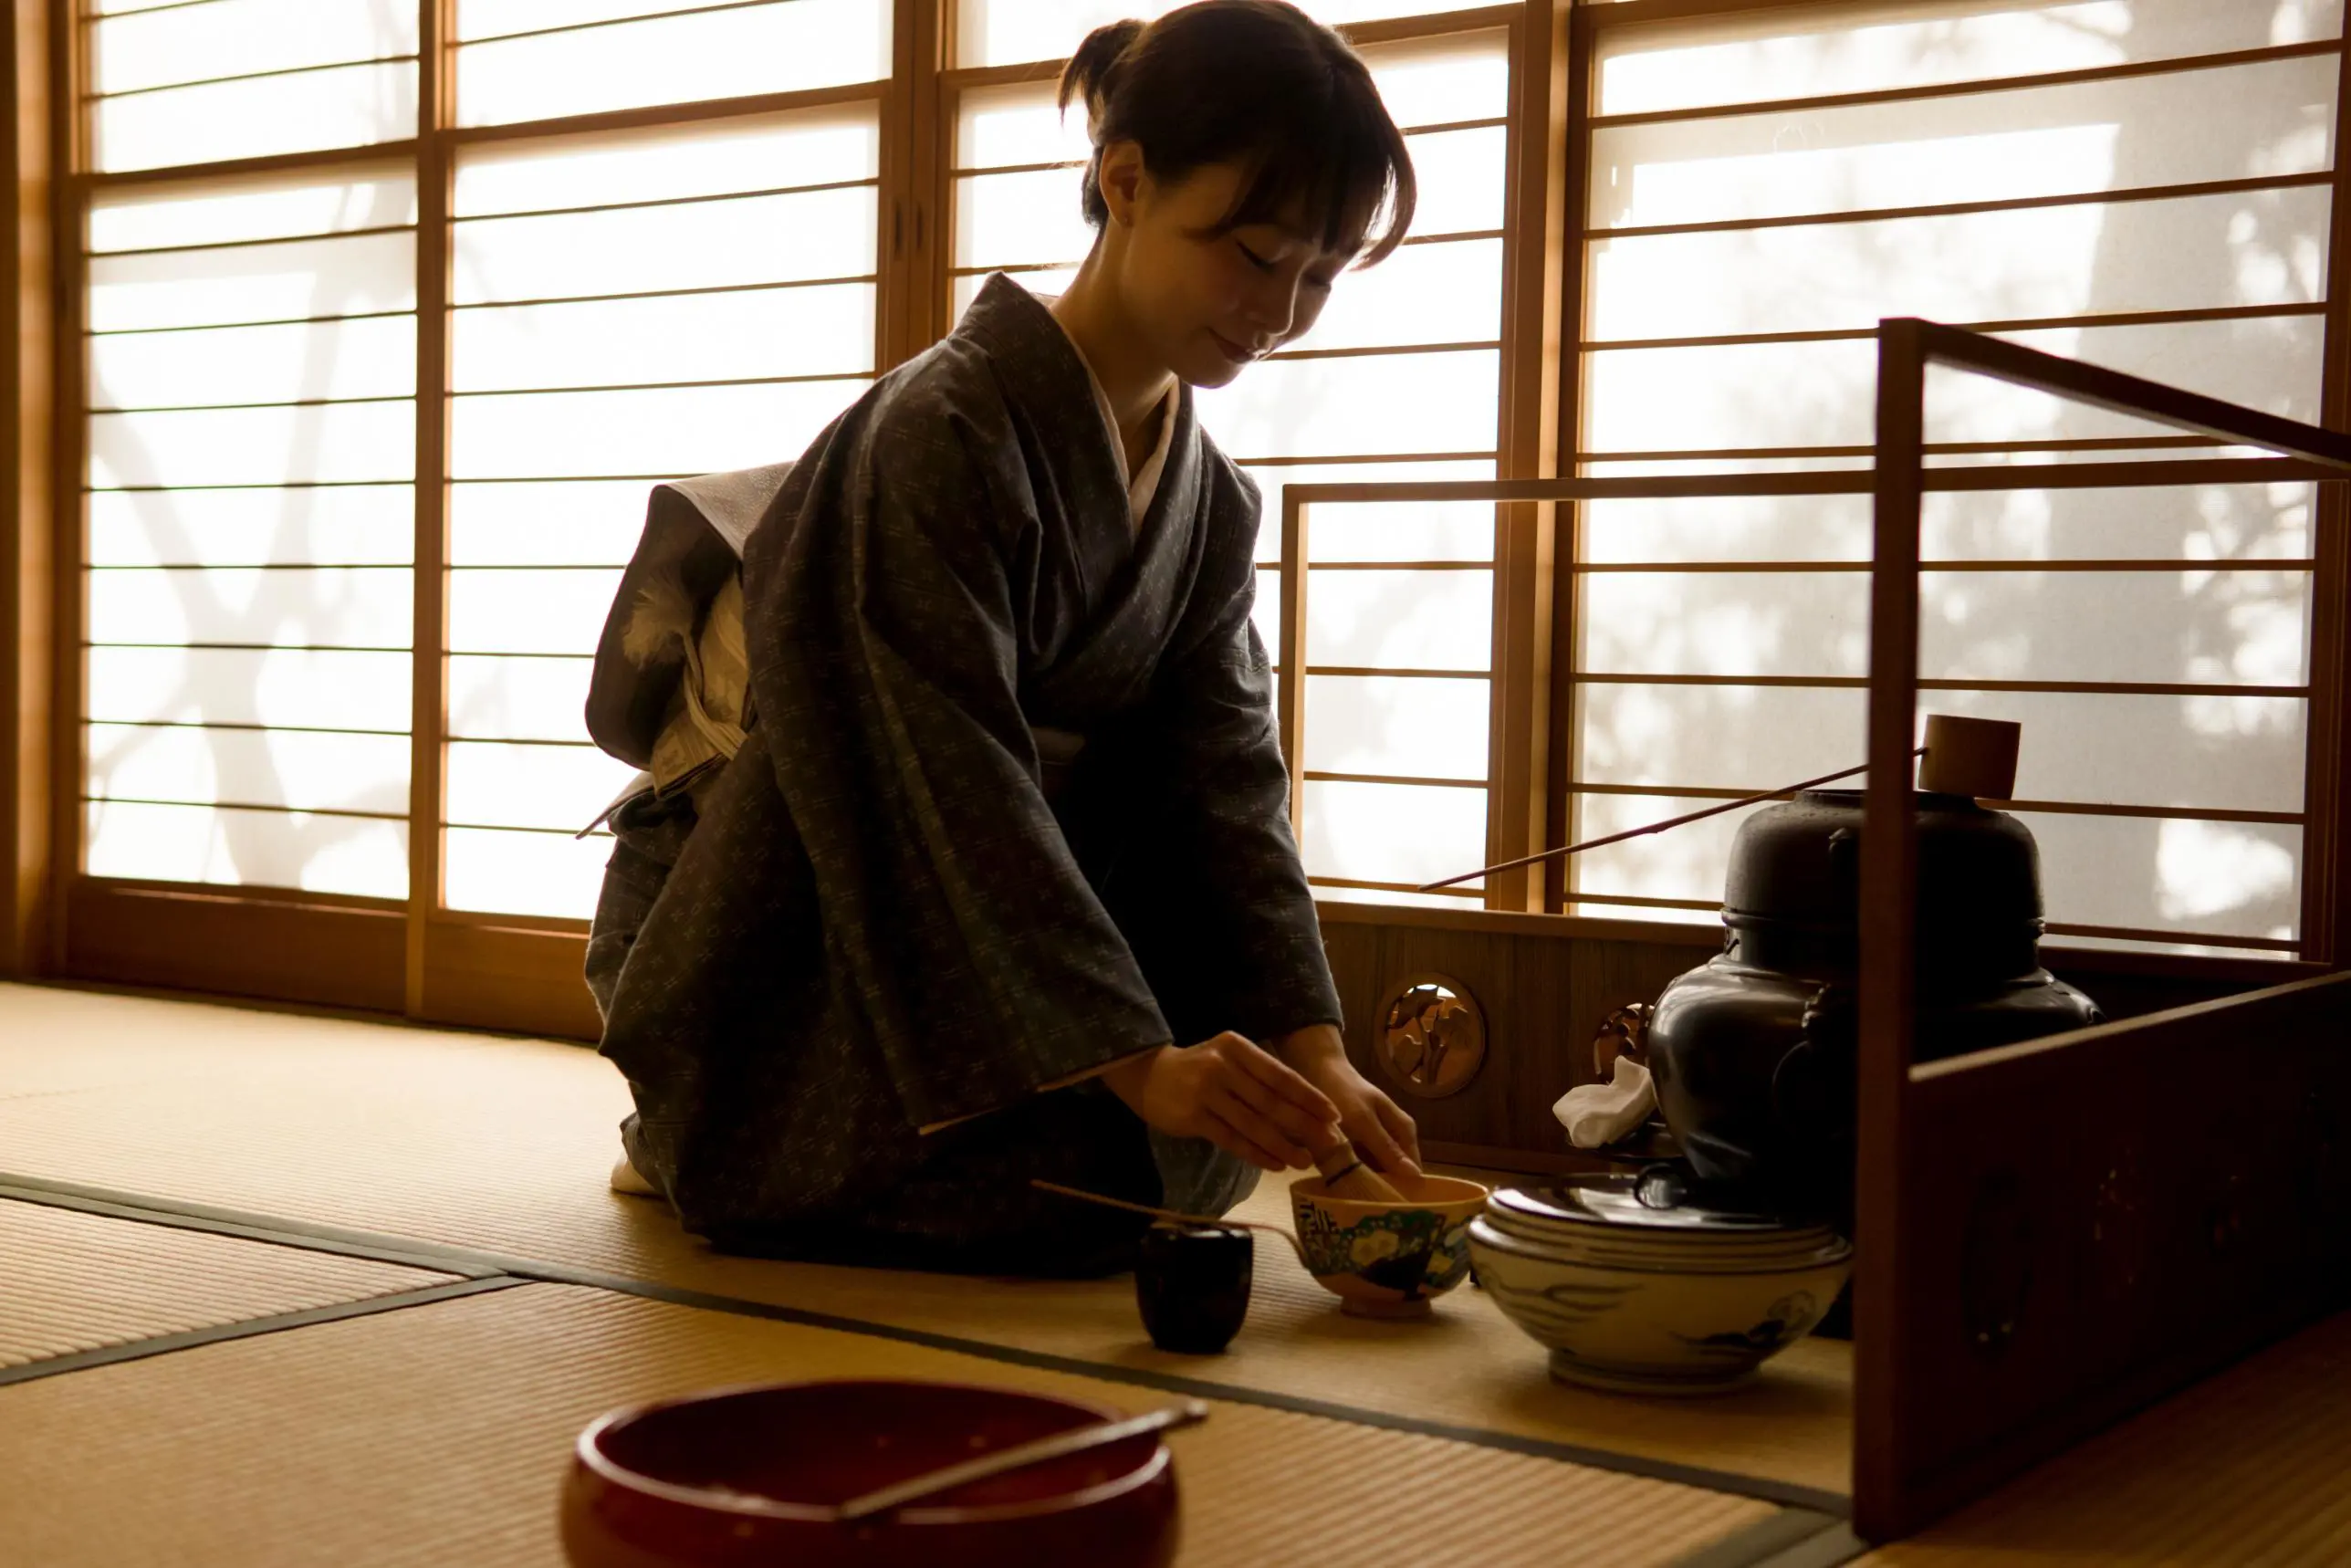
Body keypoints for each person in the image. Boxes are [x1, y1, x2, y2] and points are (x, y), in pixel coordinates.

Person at [585, 0, 1424, 1275]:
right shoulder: (945, 431)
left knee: (1189, 1145)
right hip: (808, 902)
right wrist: (1138, 1057)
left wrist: (1314, 1046)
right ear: (1124, 180)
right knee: (1046, 1183)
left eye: (1316, 276)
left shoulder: (1212, 503)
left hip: (1013, 918)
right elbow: (943, 771)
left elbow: (1227, 784)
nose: (1281, 309)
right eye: (1254, 254)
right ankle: (686, 1122)